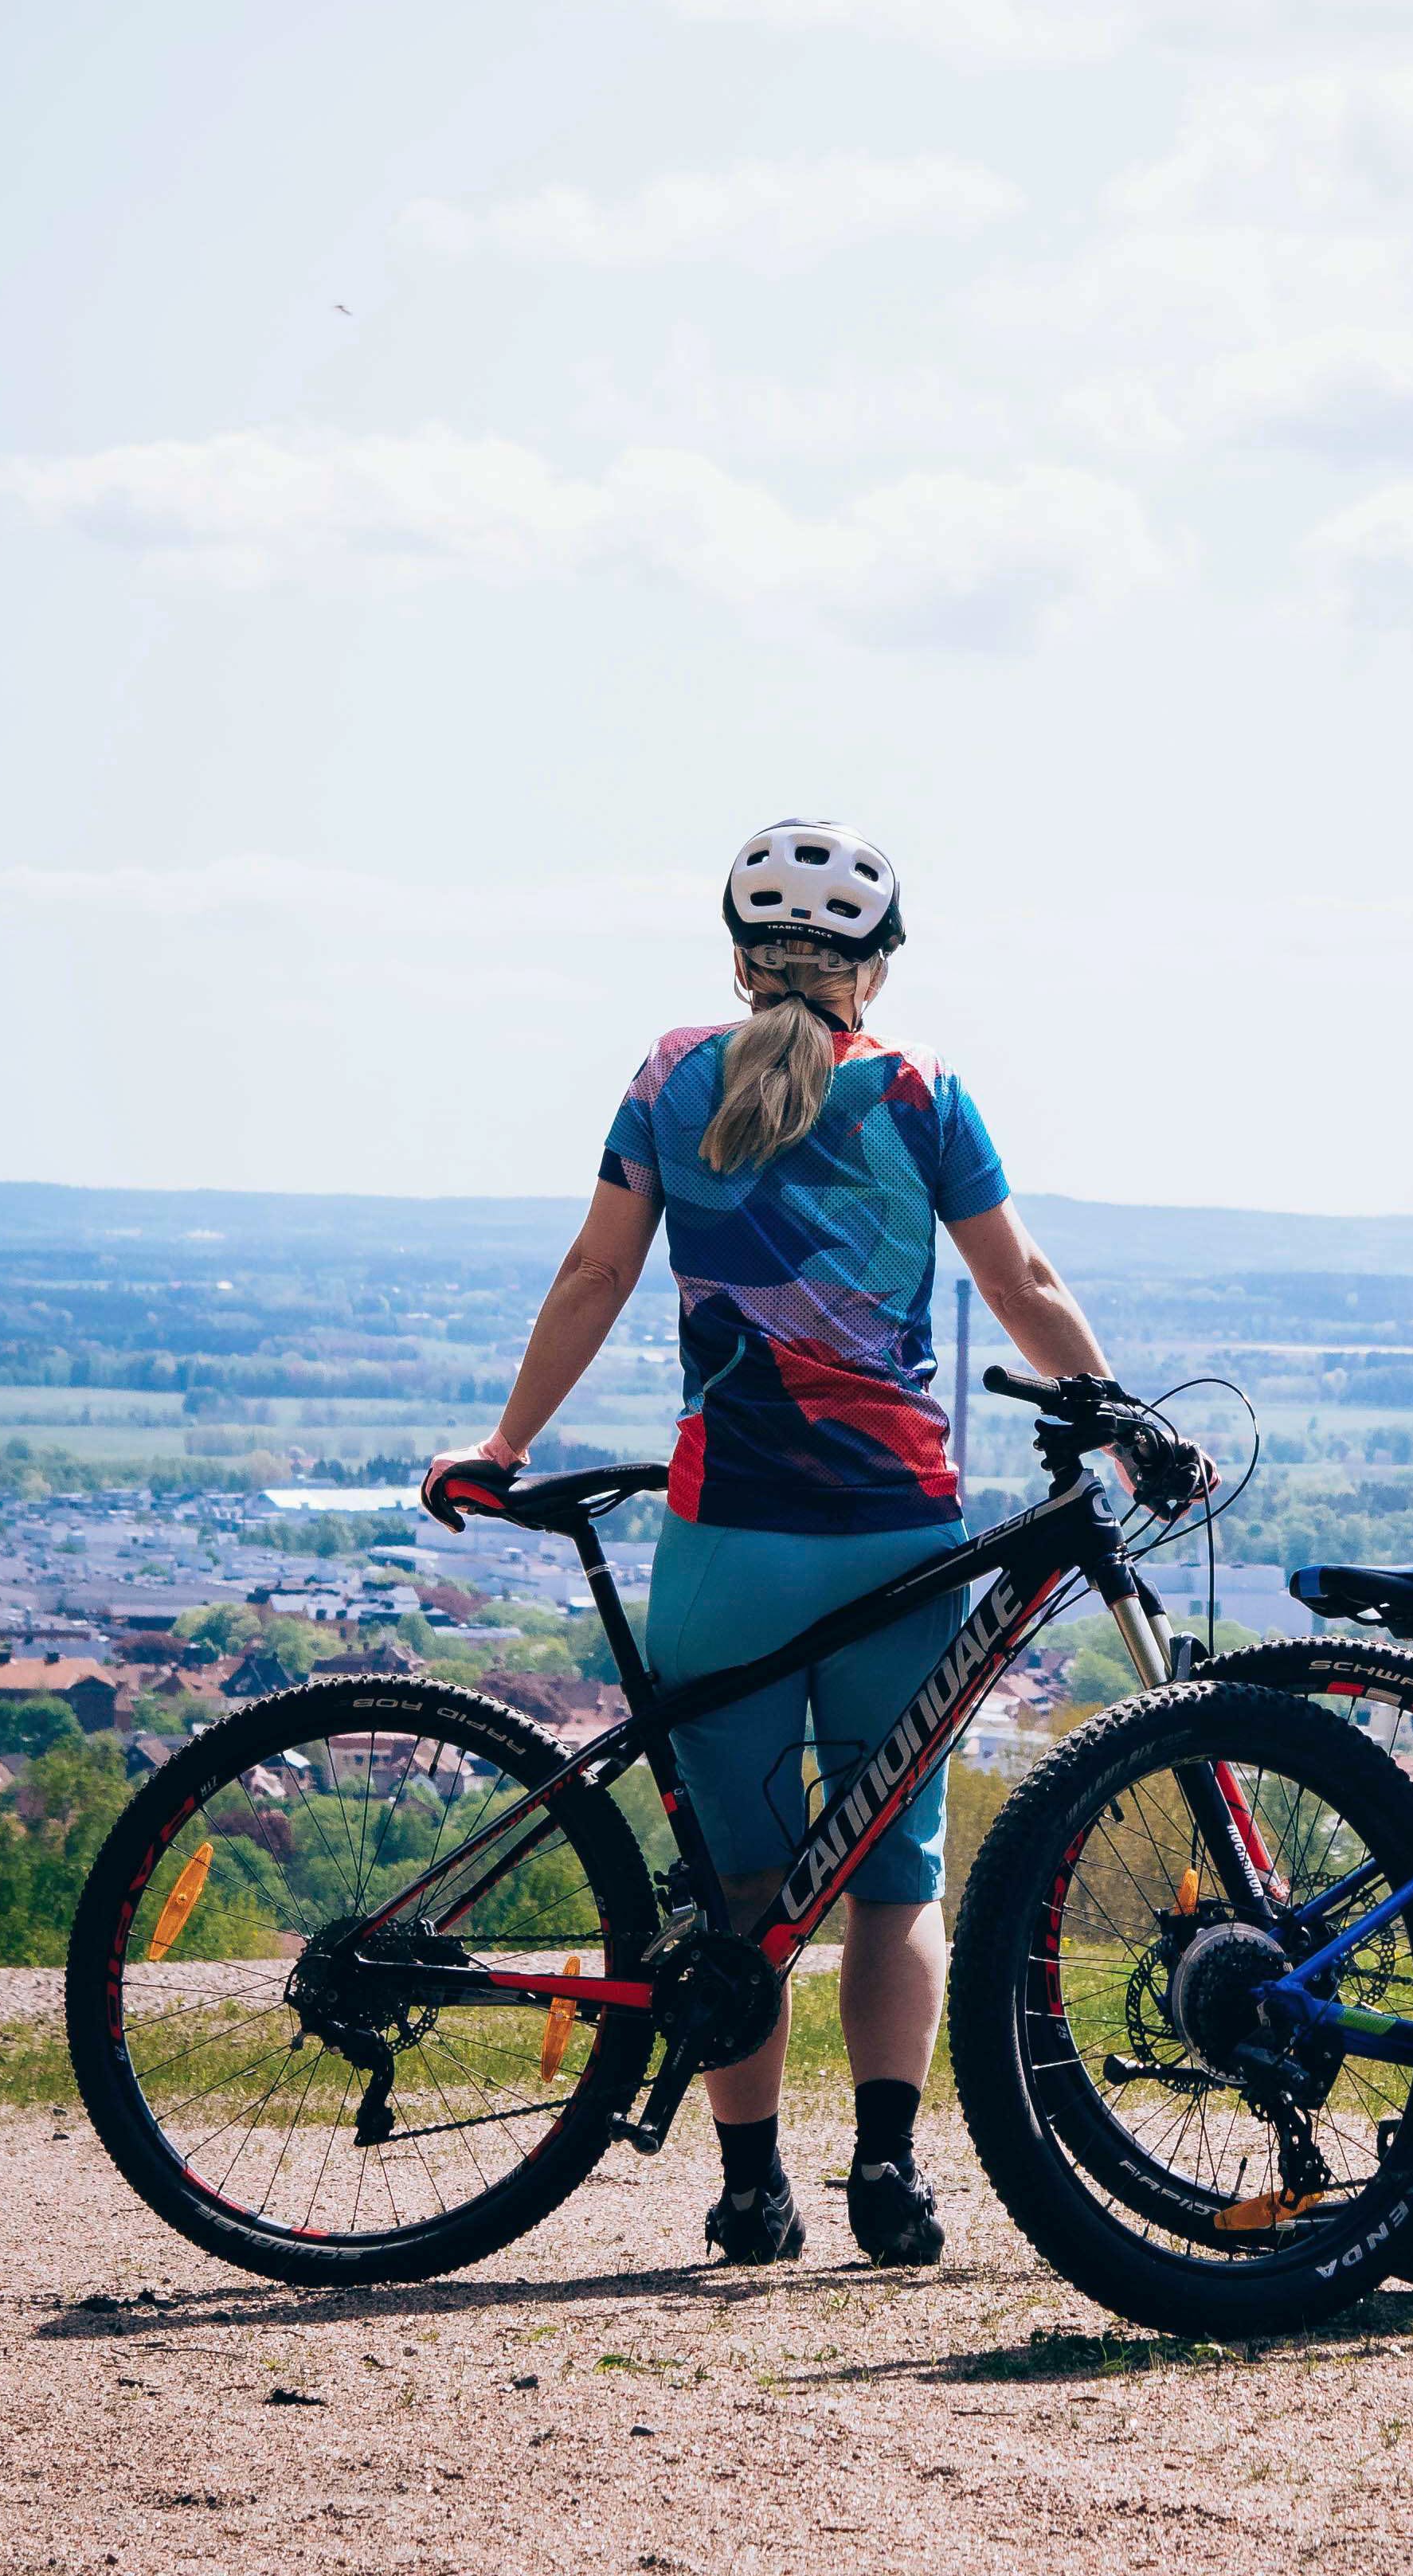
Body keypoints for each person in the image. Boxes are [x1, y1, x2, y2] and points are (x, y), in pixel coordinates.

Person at [428, 817, 1165, 2271]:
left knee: (742, 1896)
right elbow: (1021, 1279)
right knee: (896, 1884)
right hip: (898, 1540)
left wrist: (505, 1446)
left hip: (726, 1545)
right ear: (873, 971)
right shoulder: (922, 1091)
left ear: (736, 954)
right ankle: (887, 2179)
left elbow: (593, 1273)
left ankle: (750, 2190)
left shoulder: (663, 1077)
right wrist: (1119, 1409)